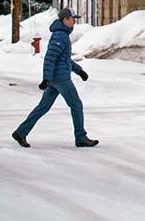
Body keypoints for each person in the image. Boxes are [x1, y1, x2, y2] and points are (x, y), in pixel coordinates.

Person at [12, 8, 97, 148]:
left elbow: (64, 59)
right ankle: (81, 137)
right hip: (60, 79)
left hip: (56, 78)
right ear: (65, 20)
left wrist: (79, 71)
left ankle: (21, 132)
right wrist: (46, 79)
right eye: (72, 19)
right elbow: (50, 58)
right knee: (76, 105)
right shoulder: (60, 36)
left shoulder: (62, 34)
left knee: (43, 107)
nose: (74, 21)